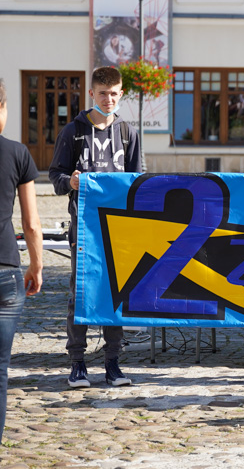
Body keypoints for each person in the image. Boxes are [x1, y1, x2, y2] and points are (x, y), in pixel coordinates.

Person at [49, 66, 141, 388]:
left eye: (115, 93)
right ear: (92, 93)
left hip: (116, 230)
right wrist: (70, 181)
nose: (109, 99)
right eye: (103, 93)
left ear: (121, 94)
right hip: (84, 229)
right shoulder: (72, 132)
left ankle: (113, 362)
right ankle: (77, 362)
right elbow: (55, 176)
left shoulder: (128, 133)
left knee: (115, 293)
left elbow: (136, 182)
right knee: (81, 293)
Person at [0, 78, 42, 442]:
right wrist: (37, 266)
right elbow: (31, 222)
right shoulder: (17, 153)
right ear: (2, 109)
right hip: (6, 270)